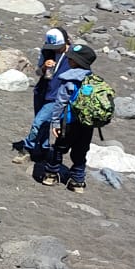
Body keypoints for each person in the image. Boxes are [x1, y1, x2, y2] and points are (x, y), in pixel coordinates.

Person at [45, 43, 98, 191]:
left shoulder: (69, 80)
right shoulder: (93, 80)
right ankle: (77, 181)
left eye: (71, 59)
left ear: (77, 62)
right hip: (87, 124)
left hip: (68, 122)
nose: (69, 60)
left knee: (58, 149)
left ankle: (51, 174)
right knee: (80, 151)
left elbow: (60, 102)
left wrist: (55, 122)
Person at [14, 28, 69, 166]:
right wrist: (44, 67)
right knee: (43, 123)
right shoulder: (47, 50)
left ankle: (26, 148)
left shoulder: (73, 55)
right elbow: (38, 72)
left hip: (57, 96)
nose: (54, 50)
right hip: (42, 91)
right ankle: (43, 150)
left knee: (38, 122)